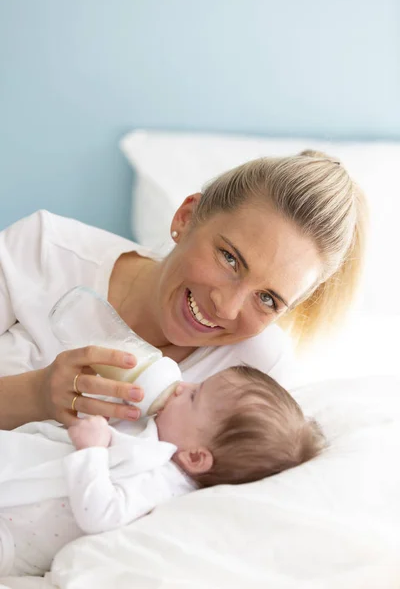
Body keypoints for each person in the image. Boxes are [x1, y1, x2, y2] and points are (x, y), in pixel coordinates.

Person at [0, 150, 367, 430]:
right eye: (230, 259)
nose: (227, 307)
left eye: (268, 299)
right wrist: (34, 395)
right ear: (186, 218)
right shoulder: (44, 250)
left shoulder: (259, 373)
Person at [0, 365, 324, 577]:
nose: (182, 386)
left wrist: (92, 452)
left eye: (195, 395)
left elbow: (102, 514)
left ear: (196, 458)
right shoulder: (160, 445)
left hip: (17, 537)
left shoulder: (165, 485)